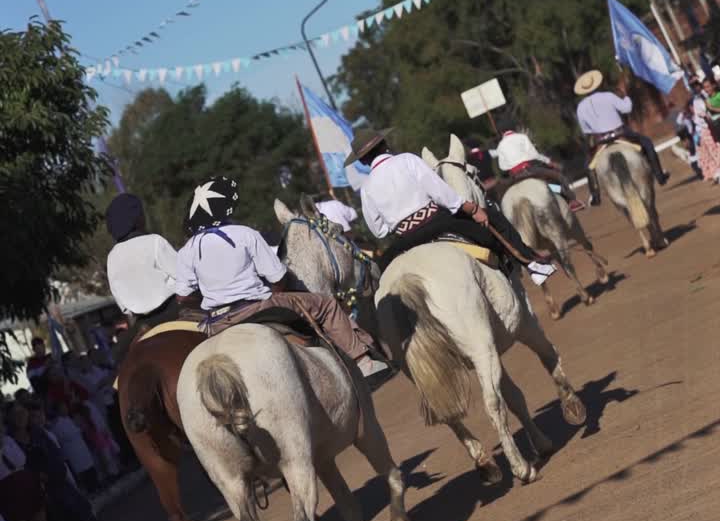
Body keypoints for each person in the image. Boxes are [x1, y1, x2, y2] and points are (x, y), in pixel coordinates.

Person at [175, 177, 386, 377]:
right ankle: (363, 361)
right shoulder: (245, 234)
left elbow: (183, 298)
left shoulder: (187, 250)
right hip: (256, 307)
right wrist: (275, 297)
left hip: (217, 322)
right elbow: (278, 277)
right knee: (327, 306)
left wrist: (209, 302)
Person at [346, 129, 556, 281]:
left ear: (363, 161)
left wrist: (398, 224)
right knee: (493, 217)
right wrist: (472, 209)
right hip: (439, 222)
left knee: (380, 277)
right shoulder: (407, 160)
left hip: (406, 239)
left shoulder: (366, 188)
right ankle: (531, 263)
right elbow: (440, 192)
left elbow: (378, 230)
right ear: (384, 145)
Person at [574, 70, 669, 206]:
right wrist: (626, 96)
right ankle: (660, 175)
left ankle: (595, 195)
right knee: (647, 143)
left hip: (600, 141)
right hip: (621, 134)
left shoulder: (580, 108)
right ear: (597, 84)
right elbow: (627, 109)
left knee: (588, 166)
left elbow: (586, 130)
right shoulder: (608, 96)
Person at [106, 193, 180, 324]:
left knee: (124, 345)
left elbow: (121, 302)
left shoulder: (112, 256)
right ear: (138, 218)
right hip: (172, 310)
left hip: (142, 322)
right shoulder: (154, 241)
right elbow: (181, 275)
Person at [491, 120, 584, 211]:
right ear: (513, 128)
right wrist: (550, 162)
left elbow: (502, 166)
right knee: (558, 177)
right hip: (529, 170)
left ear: (501, 132)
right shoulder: (521, 137)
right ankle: (572, 201)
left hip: (515, 176)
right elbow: (534, 155)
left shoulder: (500, 145)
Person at [691, 78, 720, 183]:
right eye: (693, 86)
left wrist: (711, 108)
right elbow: (698, 116)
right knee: (713, 150)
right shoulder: (697, 100)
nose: (696, 88)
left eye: (697, 85)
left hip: (713, 124)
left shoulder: (711, 95)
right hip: (707, 128)